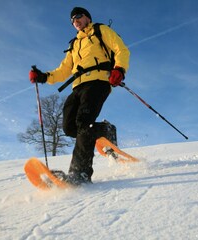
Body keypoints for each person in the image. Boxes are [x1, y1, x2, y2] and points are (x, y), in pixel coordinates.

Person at [29, 7, 130, 185]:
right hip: (78, 87)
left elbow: (121, 49)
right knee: (69, 127)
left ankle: (80, 174)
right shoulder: (74, 44)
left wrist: (119, 69)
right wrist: (44, 77)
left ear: (87, 18)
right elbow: (63, 70)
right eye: (72, 20)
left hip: (98, 82)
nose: (75, 21)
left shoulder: (100, 31)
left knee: (84, 122)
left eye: (78, 17)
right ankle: (105, 130)